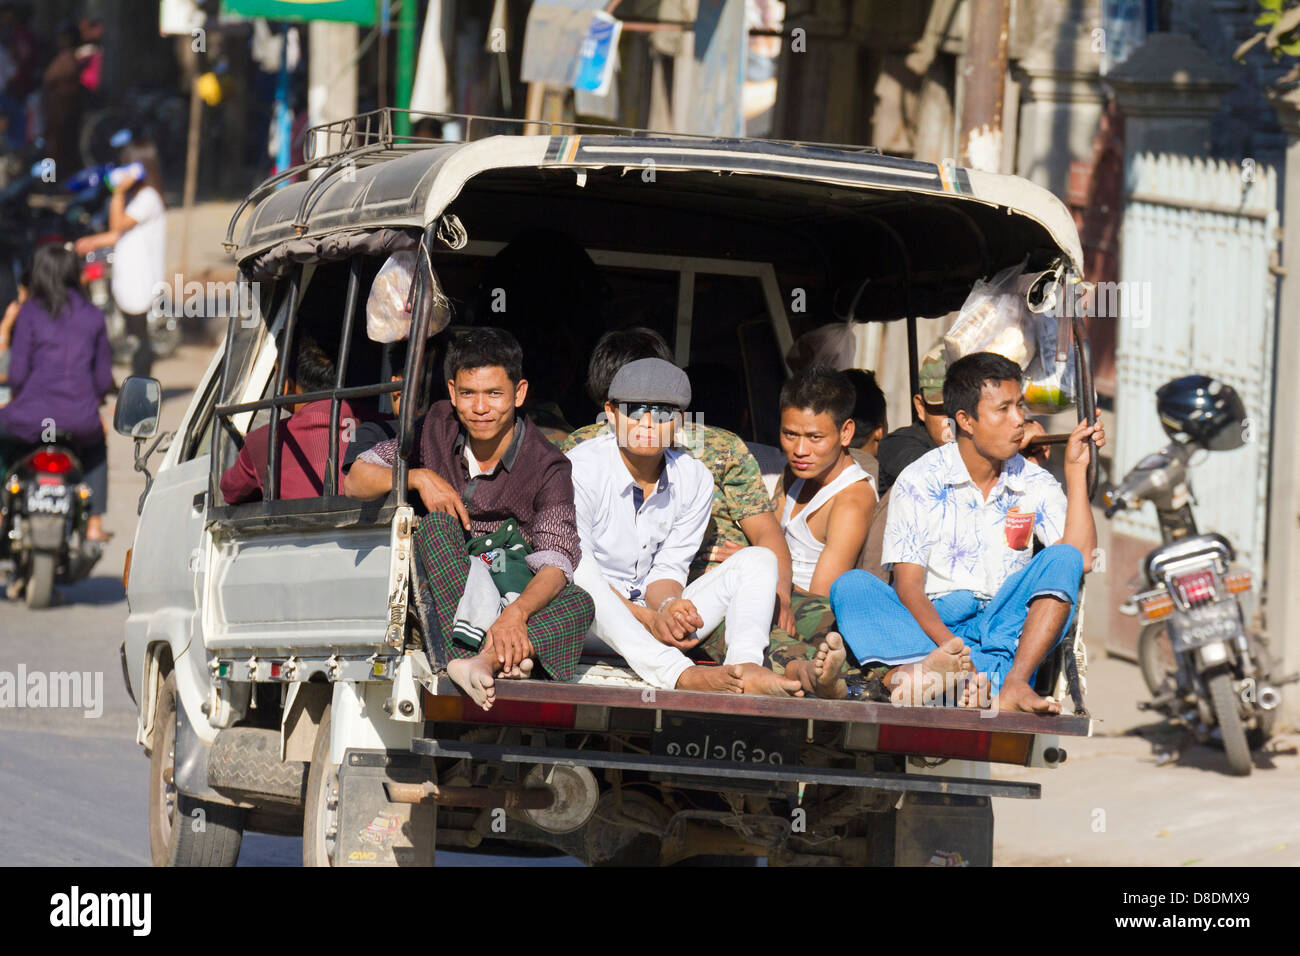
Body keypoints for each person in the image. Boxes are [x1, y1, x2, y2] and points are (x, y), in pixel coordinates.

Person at [829, 352, 1105, 713]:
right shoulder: (920, 479)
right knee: (850, 587)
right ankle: (946, 679)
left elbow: (1082, 559)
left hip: (1003, 633)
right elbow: (909, 588)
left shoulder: (1034, 480)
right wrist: (955, 657)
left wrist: (1075, 472)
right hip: (935, 633)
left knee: (1064, 556)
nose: (1019, 420)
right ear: (966, 420)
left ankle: (1012, 686)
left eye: (1019, 406)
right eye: (1003, 409)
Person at [345, 327, 594, 711]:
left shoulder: (548, 465)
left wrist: (516, 614)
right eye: (468, 394)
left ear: (520, 393)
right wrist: (418, 476)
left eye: (494, 394)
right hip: (449, 589)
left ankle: (482, 660)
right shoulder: (433, 426)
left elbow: (556, 560)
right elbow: (357, 479)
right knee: (436, 527)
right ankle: (499, 656)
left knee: (579, 602)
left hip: (511, 587)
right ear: (451, 391)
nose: (480, 408)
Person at [569, 358, 801, 696]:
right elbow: (579, 573)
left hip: (652, 626)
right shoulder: (581, 467)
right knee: (579, 573)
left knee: (759, 559)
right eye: (635, 410)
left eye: (662, 412)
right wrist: (647, 618)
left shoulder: (694, 478)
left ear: (679, 421)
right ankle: (680, 675)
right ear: (611, 413)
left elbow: (666, 570)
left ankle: (744, 666)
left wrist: (669, 608)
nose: (647, 422)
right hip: (589, 623)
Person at [768, 365, 877, 697]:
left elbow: (821, 601)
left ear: (845, 433)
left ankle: (832, 677)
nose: (800, 450)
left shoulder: (851, 498)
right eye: (790, 435)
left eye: (815, 438)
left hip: (808, 617)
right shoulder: (794, 473)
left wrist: (775, 586)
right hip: (775, 595)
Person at [0, 245, 112, 541]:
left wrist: (19, 397)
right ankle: (95, 525)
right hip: (80, 422)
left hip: (30, 419)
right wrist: (94, 401)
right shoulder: (93, 316)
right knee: (96, 450)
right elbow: (102, 380)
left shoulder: (30, 313)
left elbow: (19, 375)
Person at [220, 331, 375, 504]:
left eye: (276, 372)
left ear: (286, 386)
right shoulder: (381, 424)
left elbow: (230, 491)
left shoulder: (266, 440)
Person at [75, 141, 167, 380]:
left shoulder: (148, 197)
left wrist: (117, 191)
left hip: (141, 280)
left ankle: (142, 389)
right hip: (129, 278)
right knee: (133, 337)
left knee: (139, 339)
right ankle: (138, 385)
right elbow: (119, 233)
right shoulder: (139, 198)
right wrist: (92, 242)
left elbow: (118, 224)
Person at [876, 343, 951, 497]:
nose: (953, 420)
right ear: (921, 407)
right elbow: (935, 478)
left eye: (964, 409)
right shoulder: (899, 446)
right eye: (942, 410)